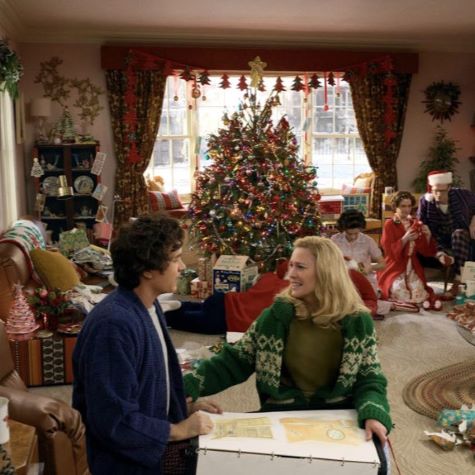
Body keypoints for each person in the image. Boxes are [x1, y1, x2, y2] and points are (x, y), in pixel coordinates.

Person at [184, 236, 392, 447]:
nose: (290, 274)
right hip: (280, 417)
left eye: (300, 267)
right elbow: (234, 361)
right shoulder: (276, 315)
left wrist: (373, 413)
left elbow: (370, 379)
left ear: (326, 272)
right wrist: (187, 386)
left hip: (338, 420)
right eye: (291, 266)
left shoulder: (357, 321)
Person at [72, 215, 221, 475]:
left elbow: (147, 386)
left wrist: (182, 408)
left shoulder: (147, 307)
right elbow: (114, 421)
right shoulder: (113, 326)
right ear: (148, 269)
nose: (182, 266)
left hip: (151, 457)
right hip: (126, 467)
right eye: (175, 259)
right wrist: (179, 430)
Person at [378, 191, 441, 310]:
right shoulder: (389, 224)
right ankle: (401, 304)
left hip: (412, 265)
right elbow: (388, 251)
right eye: (403, 206)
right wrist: (405, 238)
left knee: (418, 290)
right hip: (395, 265)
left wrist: (427, 236)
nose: (407, 209)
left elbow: (425, 251)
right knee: (399, 291)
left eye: (409, 206)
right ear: (395, 207)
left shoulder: (415, 223)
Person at [417, 170, 475, 298]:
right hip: (439, 236)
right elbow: (421, 221)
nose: (438, 194)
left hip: (461, 234)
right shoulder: (425, 201)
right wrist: (423, 228)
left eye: (442, 191)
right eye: (434, 190)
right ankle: (443, 256)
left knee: (458, 235)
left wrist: (473, 222)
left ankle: (457, 281)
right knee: (432, 241)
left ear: (449, 188)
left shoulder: (463, 195)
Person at [331, 209, 392, 315]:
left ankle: (356, 307)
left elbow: (383, 264)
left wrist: (370, 267)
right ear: (343, 229)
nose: (353, 237)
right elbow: (328, 262)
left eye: (356, 233)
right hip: (342, 279)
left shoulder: (368, 241)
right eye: (350, 233)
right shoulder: (334, 240)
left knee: (350, 304)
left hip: (364, 280)